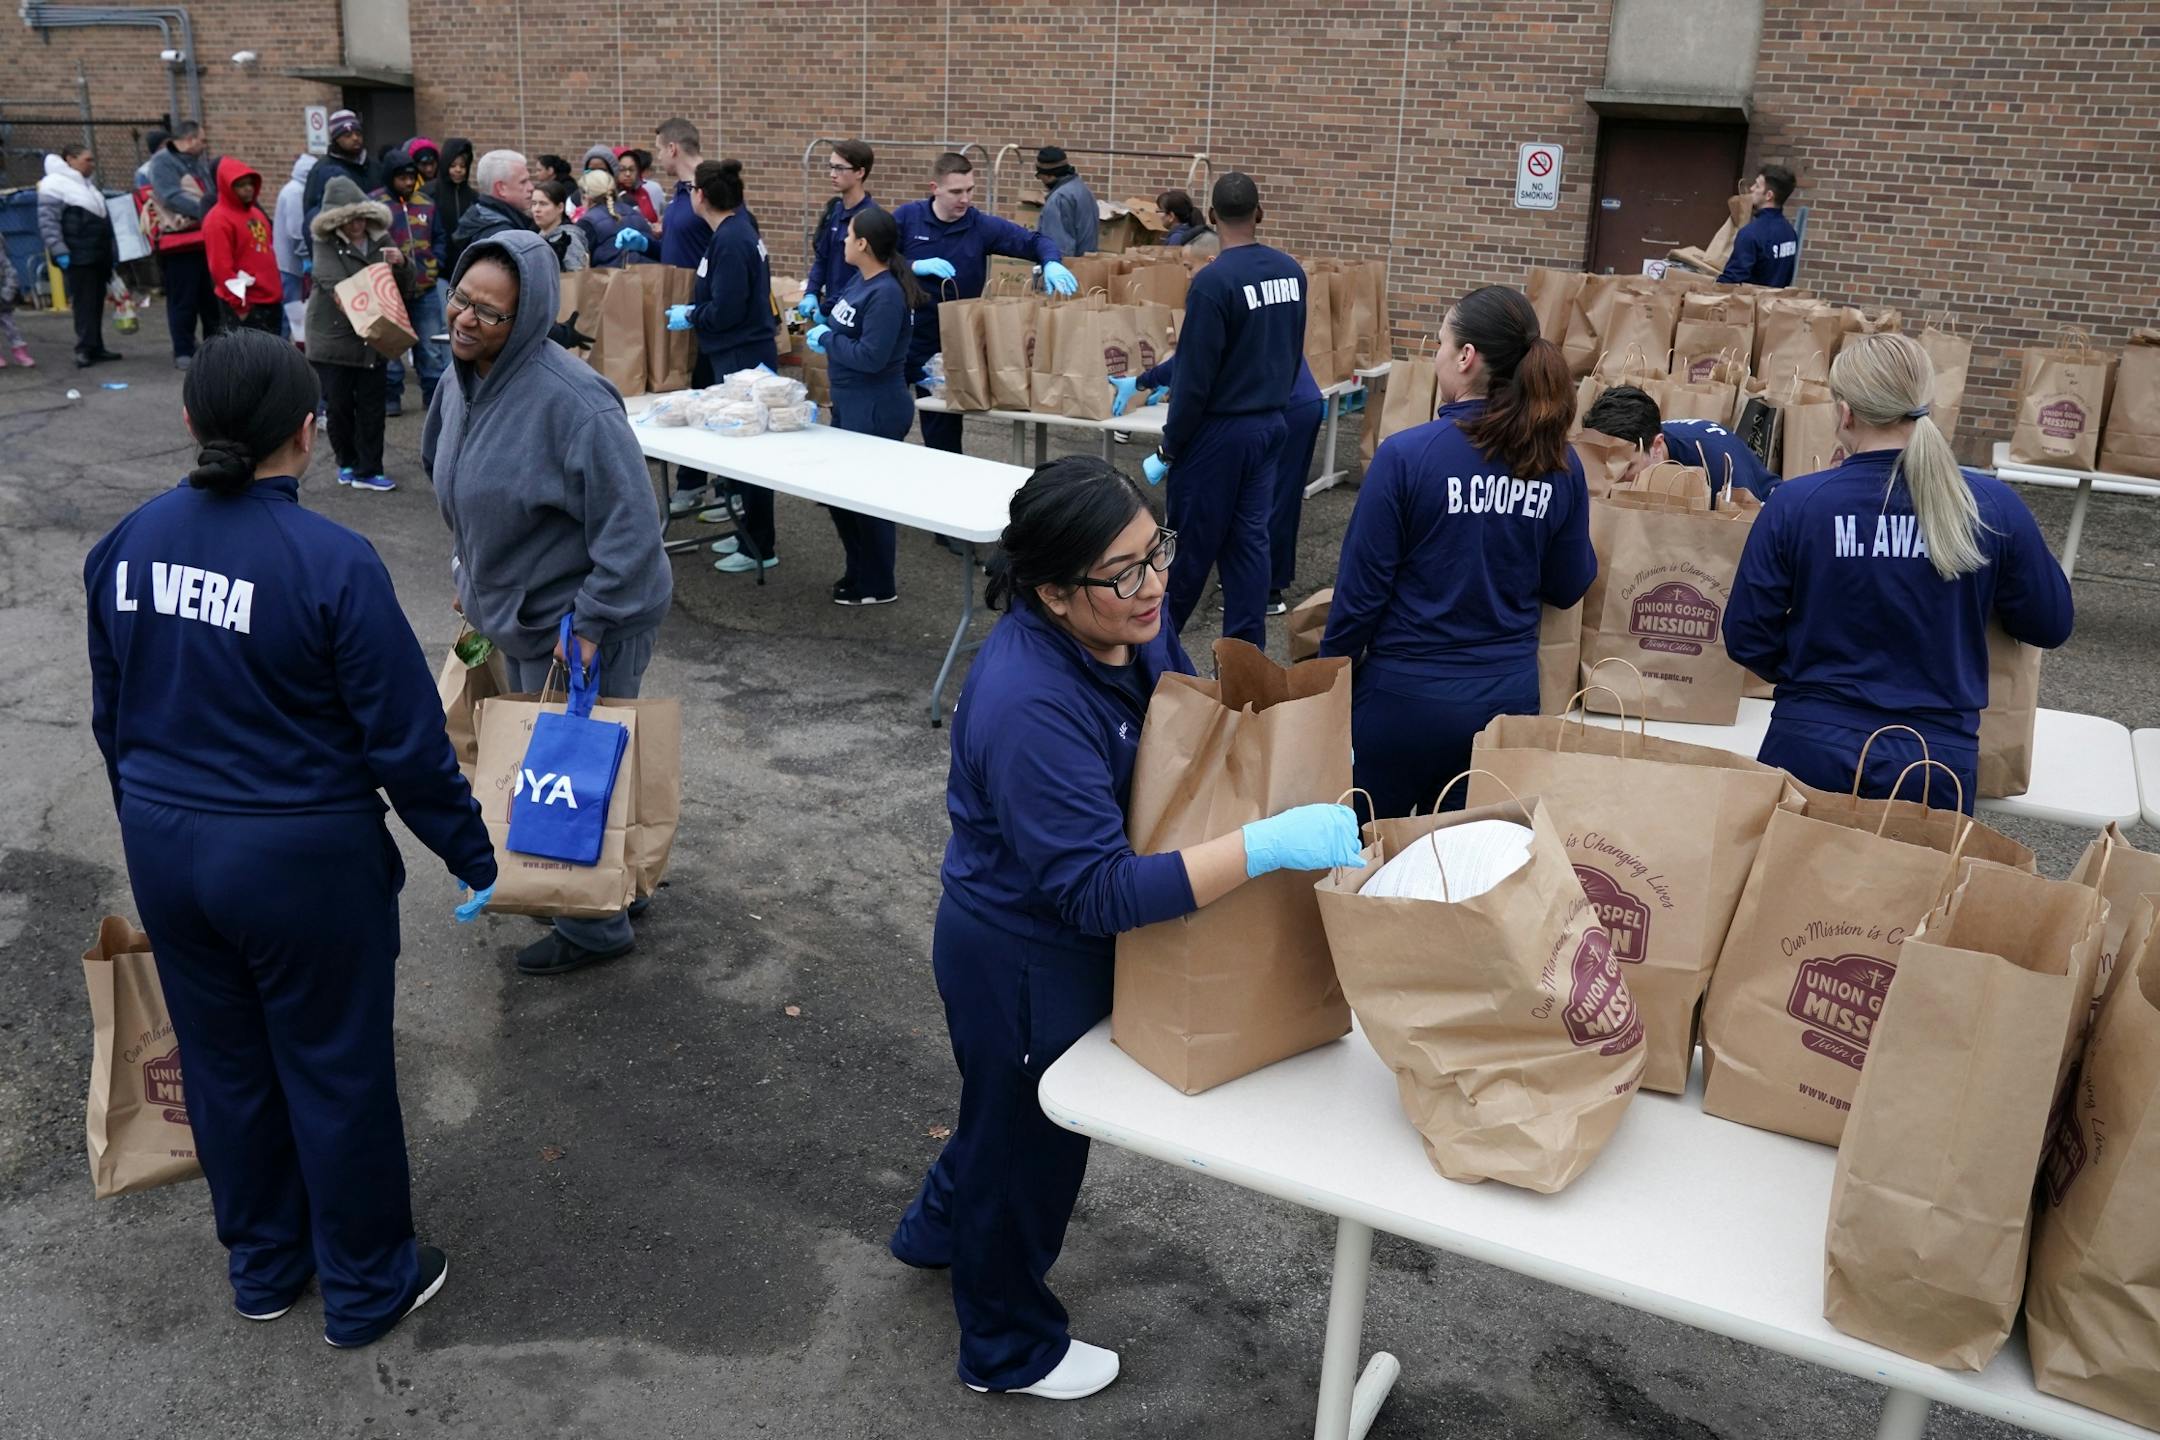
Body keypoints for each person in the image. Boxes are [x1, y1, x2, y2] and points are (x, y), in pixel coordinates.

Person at [890, 455, 1362, 1400]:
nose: (1156, 588)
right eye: (1125, 573)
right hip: (1021, 956)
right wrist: (1264, 845)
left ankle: (936, 1231)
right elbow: (1095, 892)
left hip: (1054, 944)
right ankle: (1005, 1349)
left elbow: (1181, 737)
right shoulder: (1028, 701)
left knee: (999, 1117)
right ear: (1056, 591)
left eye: (1158, 555)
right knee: (1031, 1150)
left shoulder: (1123, 633)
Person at [84, 327, 493, 1348]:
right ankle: (364, 1285)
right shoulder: (331, 563)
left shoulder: (124, 545)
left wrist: (155, 821)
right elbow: (405, 741)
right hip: (303, 864)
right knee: (333, 1066)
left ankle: (264, 1265)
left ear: (191, 424)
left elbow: (112, 718)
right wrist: (472, 851)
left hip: (170, 849)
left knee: (225, 1064)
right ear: (307, 435)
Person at [425, 231, 673, 974]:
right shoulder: (460, 380)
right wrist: (469, 569)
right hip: (509, 610)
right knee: (579, 764)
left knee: (559, 773)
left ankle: (592, 929)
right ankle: (616, 889)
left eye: (490, 314)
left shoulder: (573, 403)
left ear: (527, 318)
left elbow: (633, 531)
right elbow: (455, 480)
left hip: (578, 624)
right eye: (462, 299)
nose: (467, 319)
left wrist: (593, 621)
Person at [1725, 332, 2073, 813]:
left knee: (1787, 885)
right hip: (1933, 761)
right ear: (1925, 406)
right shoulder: (1992, 507)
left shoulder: (1795, 503)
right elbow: (2050, 624)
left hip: (1810, 743)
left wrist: (1812, 676)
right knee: (1912, 889)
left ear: (1844, 413)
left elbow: (1746, 635)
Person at [1322, 285, 1594, 821]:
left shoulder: (1404, 457)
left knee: (1366, 876)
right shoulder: (1559, 464)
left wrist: (1328, 687)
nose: (1437, 354)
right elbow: (1568, 585)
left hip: (1402, 701)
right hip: (1503, 709)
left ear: (1466, 357)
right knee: (1468, 882)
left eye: (1442, 343)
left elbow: (1357, 601)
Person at [1145, 172, 1304, 648]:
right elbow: (1293, 351)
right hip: (1271, 424)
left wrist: (1170, 447)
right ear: (1260, 213)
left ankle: (1153, 652)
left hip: (1220, 435)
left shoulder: (1214, 282)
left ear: (1212, 217)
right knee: (1248, 545)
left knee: (1188, 551)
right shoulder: (1291, 272)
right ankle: (1245, 656)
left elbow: (1194, 380)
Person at [1117, 348, 1325, 617]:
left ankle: (1170, 625)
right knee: (1271, 509)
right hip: (1296, 400)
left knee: (1225, 521)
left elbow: (1194, 359)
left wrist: (1144, 385)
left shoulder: (1216, 306)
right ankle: (1262, 594)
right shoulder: (1277, 307)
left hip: (1269, 409)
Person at [893, 152, 1076, 456]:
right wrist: (912, 265)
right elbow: (876, 256)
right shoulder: (907, 218)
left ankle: (943, 492)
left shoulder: (980, 226)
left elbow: (1034, 241)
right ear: (934, 188)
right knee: (887, 422)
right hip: (902, 337)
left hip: (948, 345)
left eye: (970, 190)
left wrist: (1051, 262)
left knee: (943, 434)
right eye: (955, 192)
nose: (964, 199)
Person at [663, 159, 781, 575]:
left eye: (692, 189)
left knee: (749, 452)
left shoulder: (731, 239)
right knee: (741, 451)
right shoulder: (730, 234)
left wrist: (693, 316)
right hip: (735, 353)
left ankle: (760, 546)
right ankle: (749, 529)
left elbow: (729, 308)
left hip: (741, 356)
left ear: (703, 195)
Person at [802, 204, 920, 605]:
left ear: (864, 244)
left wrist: (828, 340)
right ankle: (859, 571)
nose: (844, 240)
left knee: (869, 501)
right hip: (851, 404)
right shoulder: (860, 280)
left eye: (850, 235)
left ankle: (878, 583)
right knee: (841, 497)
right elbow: (841, 316)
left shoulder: (886, 294)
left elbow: (871, 355)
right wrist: (818, 314)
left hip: (877, 406)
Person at [306, 175, 412, 492]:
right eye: (350, 220)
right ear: (336, 222)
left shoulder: (382, 238)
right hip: (334, 338)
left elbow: (406, 286)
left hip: (374, 336)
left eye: (361, 218)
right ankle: (347, 463)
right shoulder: (325, 243)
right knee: (339, 407)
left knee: (372, 406)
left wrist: (403, 263)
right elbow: (332, 282)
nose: (357, 225)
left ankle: (371, 469)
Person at [1581, 383, 1779, 499]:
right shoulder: (1641, 435)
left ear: (1657, 445)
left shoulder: (1718, 461)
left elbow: (1742, 530)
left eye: (1627, 469)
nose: (1615, 480)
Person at [372, 146, 446, 415]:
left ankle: (433, 395)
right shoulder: (376, 206)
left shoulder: (426, 204)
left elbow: (439, 237)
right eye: (401, 177)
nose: (406, 182)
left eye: (411, 177)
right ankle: (391, 395)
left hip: (424, 287)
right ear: (390, 177)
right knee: (391, 346)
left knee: (430, 346)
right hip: (390, 290)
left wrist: (435, 262)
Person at [147, 122, 223, 369]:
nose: (204, 145)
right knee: (184, 299)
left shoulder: (195, 162)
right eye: (201, 140)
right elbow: (170, 196)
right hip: (181, 245)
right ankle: (184, 350)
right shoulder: (163, 163)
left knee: (209, 299)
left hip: (203, 240)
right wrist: (209, 211)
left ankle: (215, 348)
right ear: (189, 140)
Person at [38, 145, 120, 367]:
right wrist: (60, 251)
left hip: (95, 254)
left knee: (95, 302)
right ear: (70, 159)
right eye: (87, 160)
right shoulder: (55, 185)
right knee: (84, 303)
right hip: (78, 255)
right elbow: (48, 223)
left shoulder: (85, 186)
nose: (91, 165)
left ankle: (96, 346)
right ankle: (84, 348)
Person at [799, 139, 876, 320]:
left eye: (840, 168)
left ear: (860, 172)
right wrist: (811, 292)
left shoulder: (871, 219)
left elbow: (863, 276)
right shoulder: (835, 211)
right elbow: (822, 258)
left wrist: (828, 308)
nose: (833, 174)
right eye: (831, 167)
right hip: (833, 309)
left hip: (855, 313)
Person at [202, 157, 280, 334]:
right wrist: (240, 306)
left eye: (250, 183)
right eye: (241, 185)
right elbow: (220, 268)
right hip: (247, 304)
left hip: (270, 299)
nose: (248, 189)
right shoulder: (218, 220)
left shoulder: (256, 214)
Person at [445, 148, 538, 276]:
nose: (531, 188)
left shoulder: (479, 215)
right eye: (523, 182)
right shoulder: (500, 236)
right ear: (501, 188)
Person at [1719, 163, 1800, 288]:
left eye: (1757, 186)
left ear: (1769, 195)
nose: (1751, 189)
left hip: (1751, 305)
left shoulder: (1750, 234)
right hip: (1774, 304)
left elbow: (1731, 281)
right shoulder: (1790, 233)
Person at [301, 109, 373, 246]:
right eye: (347, 135)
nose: (355, 138)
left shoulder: (372, 166)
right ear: (336, 139)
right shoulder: (322, 170)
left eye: (358, 133)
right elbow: (311, 211)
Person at [573, 170, 654, 268]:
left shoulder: (588, 222)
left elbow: (575, 260)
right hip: (648, 276)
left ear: (585, 197)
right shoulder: (635, 214)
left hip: (610, 280)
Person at [273, 154, 316, 341]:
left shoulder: (294, 189)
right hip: (292, 264)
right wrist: (306, 258)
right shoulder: (296, 193)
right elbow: (296, 231)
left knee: (292, 311)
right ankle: (281, 351)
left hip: (290, 261)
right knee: (292, 311)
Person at [1032, 146, 1098, 258]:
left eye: (1040, 175)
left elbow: (1058, 250)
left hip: (1067, 271)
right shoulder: (1082, 189)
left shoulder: (1058, 199)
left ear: (1049, 176)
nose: (1040, 180)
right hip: (1086, 267)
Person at [429, 139, 477, 250]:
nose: (458, 170)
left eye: (463, 166)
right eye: (453, 165)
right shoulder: (430, 192)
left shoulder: (473, 197)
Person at [532, 178, 588, 270]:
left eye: (543, 204)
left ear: (560, 207)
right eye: (534, 204)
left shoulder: (570, 239)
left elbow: (576, 276)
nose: (536, 209)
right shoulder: (537, 236)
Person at [0, 241, 31, 368]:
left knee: (11, 327)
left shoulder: (3, 260)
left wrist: (7, 292)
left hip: (2, 298)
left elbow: (11, 274)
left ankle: (20, 352)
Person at [617, 148, 663, 226]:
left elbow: (653, 219)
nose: (628, 174)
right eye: (622, 169)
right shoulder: (611, 196)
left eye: (632, 169)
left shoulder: (643, 192)